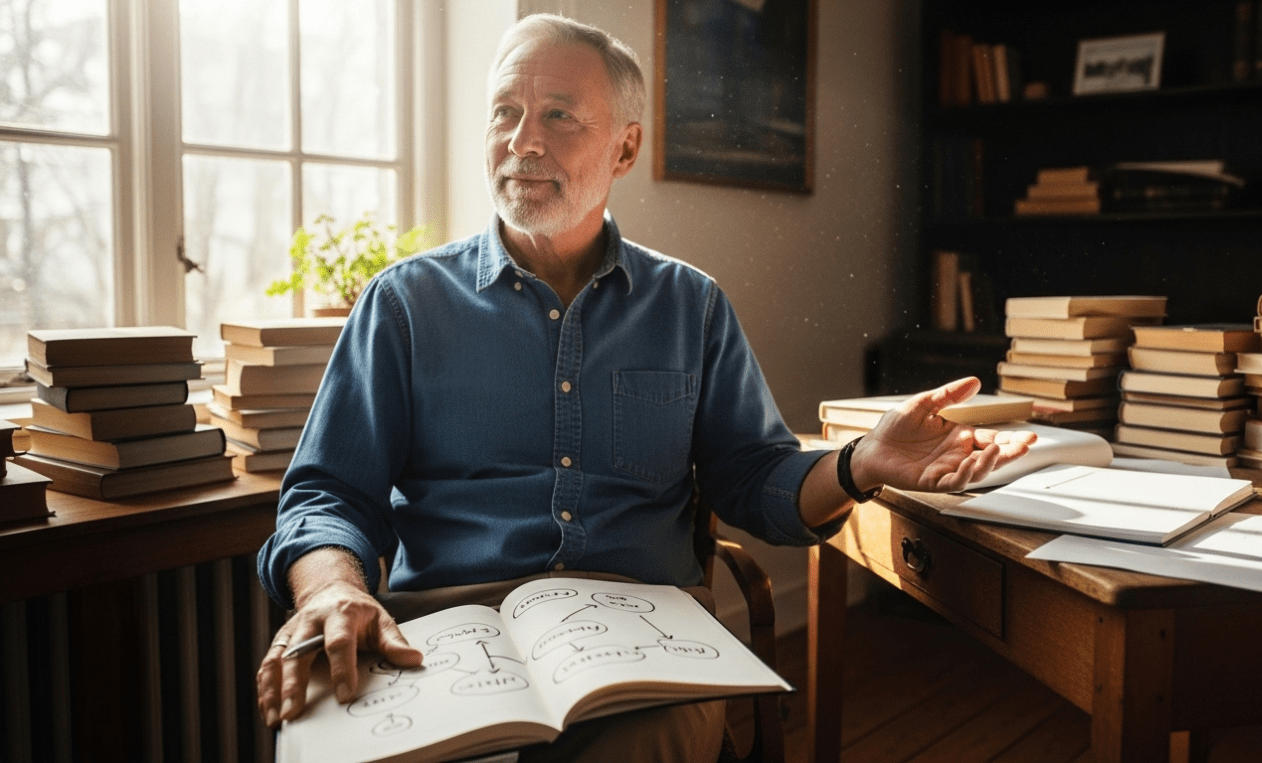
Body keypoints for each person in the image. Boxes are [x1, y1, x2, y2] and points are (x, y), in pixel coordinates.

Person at [255, 13, 1035, 762]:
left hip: (641, 639)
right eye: (505, 111)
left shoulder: (689, 305)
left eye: (559, 115)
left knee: (646, 743)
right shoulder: (404, 303)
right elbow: (327, 492)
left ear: (625, 148)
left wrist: (860, 462)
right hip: (444, 633)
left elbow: (754, 476)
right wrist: (329, 588)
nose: (522, 141)